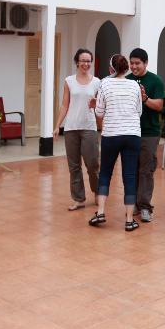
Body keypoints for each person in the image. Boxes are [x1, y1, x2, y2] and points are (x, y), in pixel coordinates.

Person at [89, 55, 143, 231]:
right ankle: (128, 220)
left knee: (105, 172)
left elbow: (99, 112)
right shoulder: (134, 84)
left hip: (111, 134)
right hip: (132, 134)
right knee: (129, 176)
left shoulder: (104, 84)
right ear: (126, 68)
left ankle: (101, 212)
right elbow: (138, 111)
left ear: (111, 68)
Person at [54, 48, 101, 211]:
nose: (86, 64)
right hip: (71, 128)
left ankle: (97, 191)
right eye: (83, 61)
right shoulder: (69, 81)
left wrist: (97, 106)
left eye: (89, 61)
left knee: (93, 164)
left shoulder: (97, 82)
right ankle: (79, 198)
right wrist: (57, 125)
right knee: (74, 166)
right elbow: (65, 104)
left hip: (89, 127)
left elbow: (101, 106)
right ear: (77, 62)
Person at [126, 48, 165, 223]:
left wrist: (145, 98)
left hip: (149, 132)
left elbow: (159, 106)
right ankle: (133, 203)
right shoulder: (125, 81)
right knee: (132, 170)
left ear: (145, 63)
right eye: (131, 63)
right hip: (129, 131)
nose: (134, 67)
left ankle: (145, 207)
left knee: (146, 170)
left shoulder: (155, 81)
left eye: (137, 64)